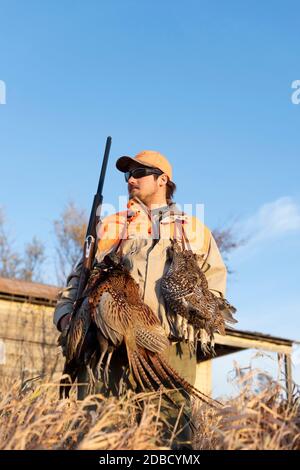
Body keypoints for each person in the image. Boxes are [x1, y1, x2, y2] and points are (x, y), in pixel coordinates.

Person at [53, 150, 227, 448]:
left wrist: (198, 318)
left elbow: (216, 289)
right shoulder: (111, 225)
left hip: (170, 350)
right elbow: (80, 277)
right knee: (101, 436)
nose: (130, 179)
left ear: (162, 180)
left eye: (139, 172)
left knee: (171, 440)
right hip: (109, 349)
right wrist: (66, 315)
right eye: (127, 174)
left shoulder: (195, 230)